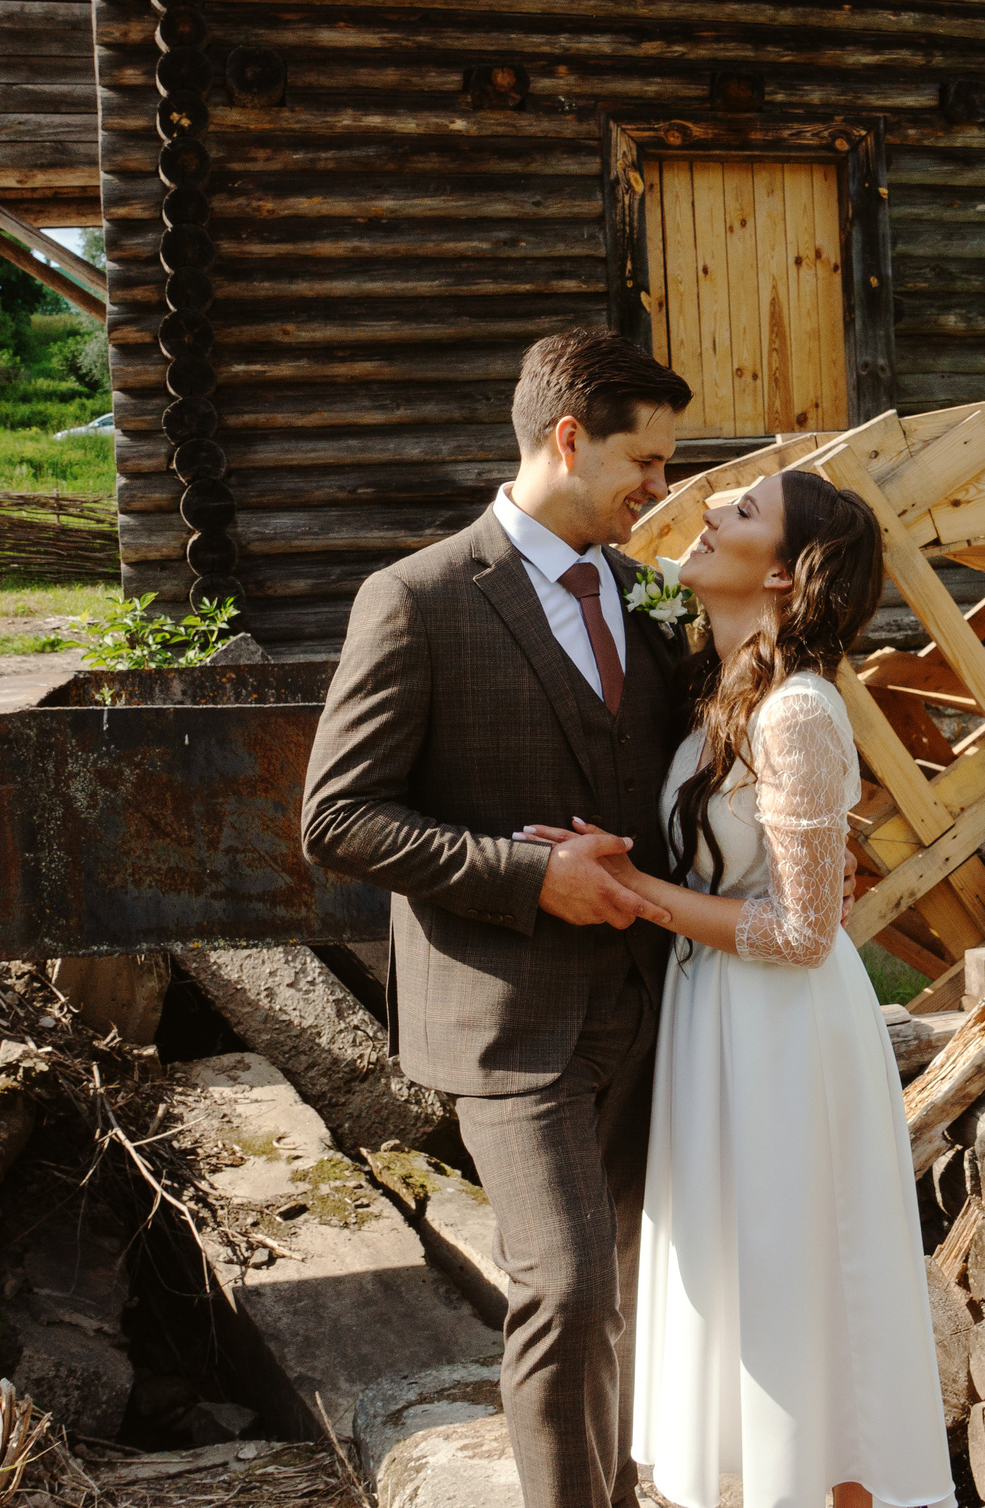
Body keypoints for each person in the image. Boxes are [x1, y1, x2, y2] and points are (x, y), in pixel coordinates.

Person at [301, 326, 693, 1508]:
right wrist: (531, 879)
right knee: (565, 1287)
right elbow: (338, 818)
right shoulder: (415, 597)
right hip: (506, 1016)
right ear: (567, 440)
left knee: (617, 1285)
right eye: (649, 462)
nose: (661, 491)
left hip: (643, 1005)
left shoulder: (652, 601)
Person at [519, 470, 954, 1508]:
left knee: (796, 1293)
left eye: (744, 513)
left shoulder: (795, 711)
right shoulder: (718, 689)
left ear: (784, 578)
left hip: (783, 1031)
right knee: (737, 1288)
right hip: (718, 1013)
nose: (708, 512)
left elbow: (805, 931)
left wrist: (631, 891)